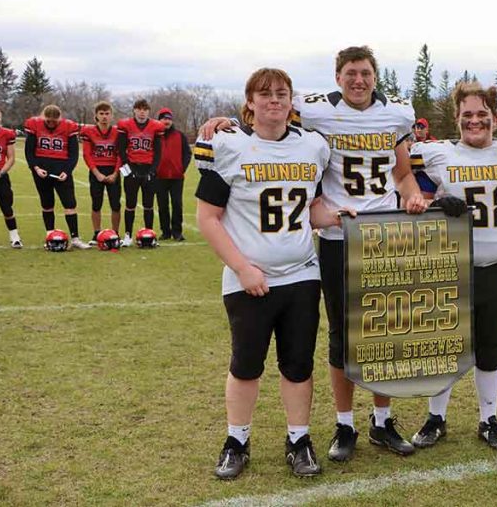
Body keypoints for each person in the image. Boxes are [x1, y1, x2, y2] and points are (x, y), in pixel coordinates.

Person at [200, 46, 428, 462]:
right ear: (337, 77)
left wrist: (412, 197)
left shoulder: (395, 114)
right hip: (338, 242)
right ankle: (343, 424)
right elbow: (265, 125)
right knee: (339, 337)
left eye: (365, 73)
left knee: (384, 334)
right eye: (350, 73)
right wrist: (228, 122)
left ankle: (380, 421)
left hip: (385, 237)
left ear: (375, 76)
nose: (358, 80)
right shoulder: (310, 112)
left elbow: (404, 173)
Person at [197, 67, 342, 480]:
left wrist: (334, 218)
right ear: (250, 103)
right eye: (265, 94)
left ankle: (299, 439)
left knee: (298, 365)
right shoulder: (228, 145)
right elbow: (208, 218)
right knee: (246, 364)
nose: (274, 100)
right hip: (249, 278)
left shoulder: (312, 147)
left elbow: (309, 206)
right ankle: (236, 440)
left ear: (291, 101)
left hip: (300, 274)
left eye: (281, 93)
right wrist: (242, 268)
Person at [408, 81, 497, 452]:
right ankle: (436, 417)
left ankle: (488, 418)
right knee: (444, 346)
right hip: (452, 265)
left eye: (482, 114)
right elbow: (414, 201)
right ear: (457, 117)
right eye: (468, 114)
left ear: (495, 118)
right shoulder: (437, 155)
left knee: (491, 345)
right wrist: (436, 207)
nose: (475, 120)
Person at [24, 104, 89, 250]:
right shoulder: (35, 125)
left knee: (70, 204)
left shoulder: (68, 127)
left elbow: (73, 153)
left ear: (60, 118)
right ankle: (50, 236)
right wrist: (36, 168)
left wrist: (67, 171)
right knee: (47, 204)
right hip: (42, 171)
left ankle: (75, 238)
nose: (51, 123)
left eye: (55, 121)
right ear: (44, 118)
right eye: (49, 121)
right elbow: (29, 151)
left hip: (62, 172)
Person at [117, 98, 164, 247]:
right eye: (139, 109)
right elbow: (121, 150)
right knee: (130, 204)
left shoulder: (156, 126)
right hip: (132, 167)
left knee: (148, 204)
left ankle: (149, 234)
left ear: (148, 111)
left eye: (145, 109)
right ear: (134, 110)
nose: (142, 112)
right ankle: (128, 235)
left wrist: (152, 171)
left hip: (148, 168)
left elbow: (158, 152)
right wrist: (128, 169)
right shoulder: (126, 125)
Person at [80, 101, 122, 243]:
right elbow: (87, 154)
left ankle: (115, 233)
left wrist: (115, 173)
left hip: (112, 170)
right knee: (96, 203)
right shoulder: (89, 132)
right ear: (96, 116)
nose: (104, 117)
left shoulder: (117, 132)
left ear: (112, 116)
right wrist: (97, 173)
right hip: (96, 170)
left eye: (107, 113)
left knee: (115, 204)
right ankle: (96, 233)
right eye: (101, 114)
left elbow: (121, 154)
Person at [155, 108, 192, 241]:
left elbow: (187, 153)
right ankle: (165, 232)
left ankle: (177, 232)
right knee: (162, 205)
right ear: (159, 120)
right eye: (164, 118)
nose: (167, 121)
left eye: (169, 119)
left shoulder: (179, 135)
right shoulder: (155, 135)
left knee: (177, 204)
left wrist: (181, 168)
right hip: (159, 177)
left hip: (176, 177)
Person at [0, 106, 23, 248]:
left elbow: (11, 158)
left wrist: (0, 173)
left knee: (7, 208)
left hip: (0, 176)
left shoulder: (7, 134)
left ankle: (14, 236)